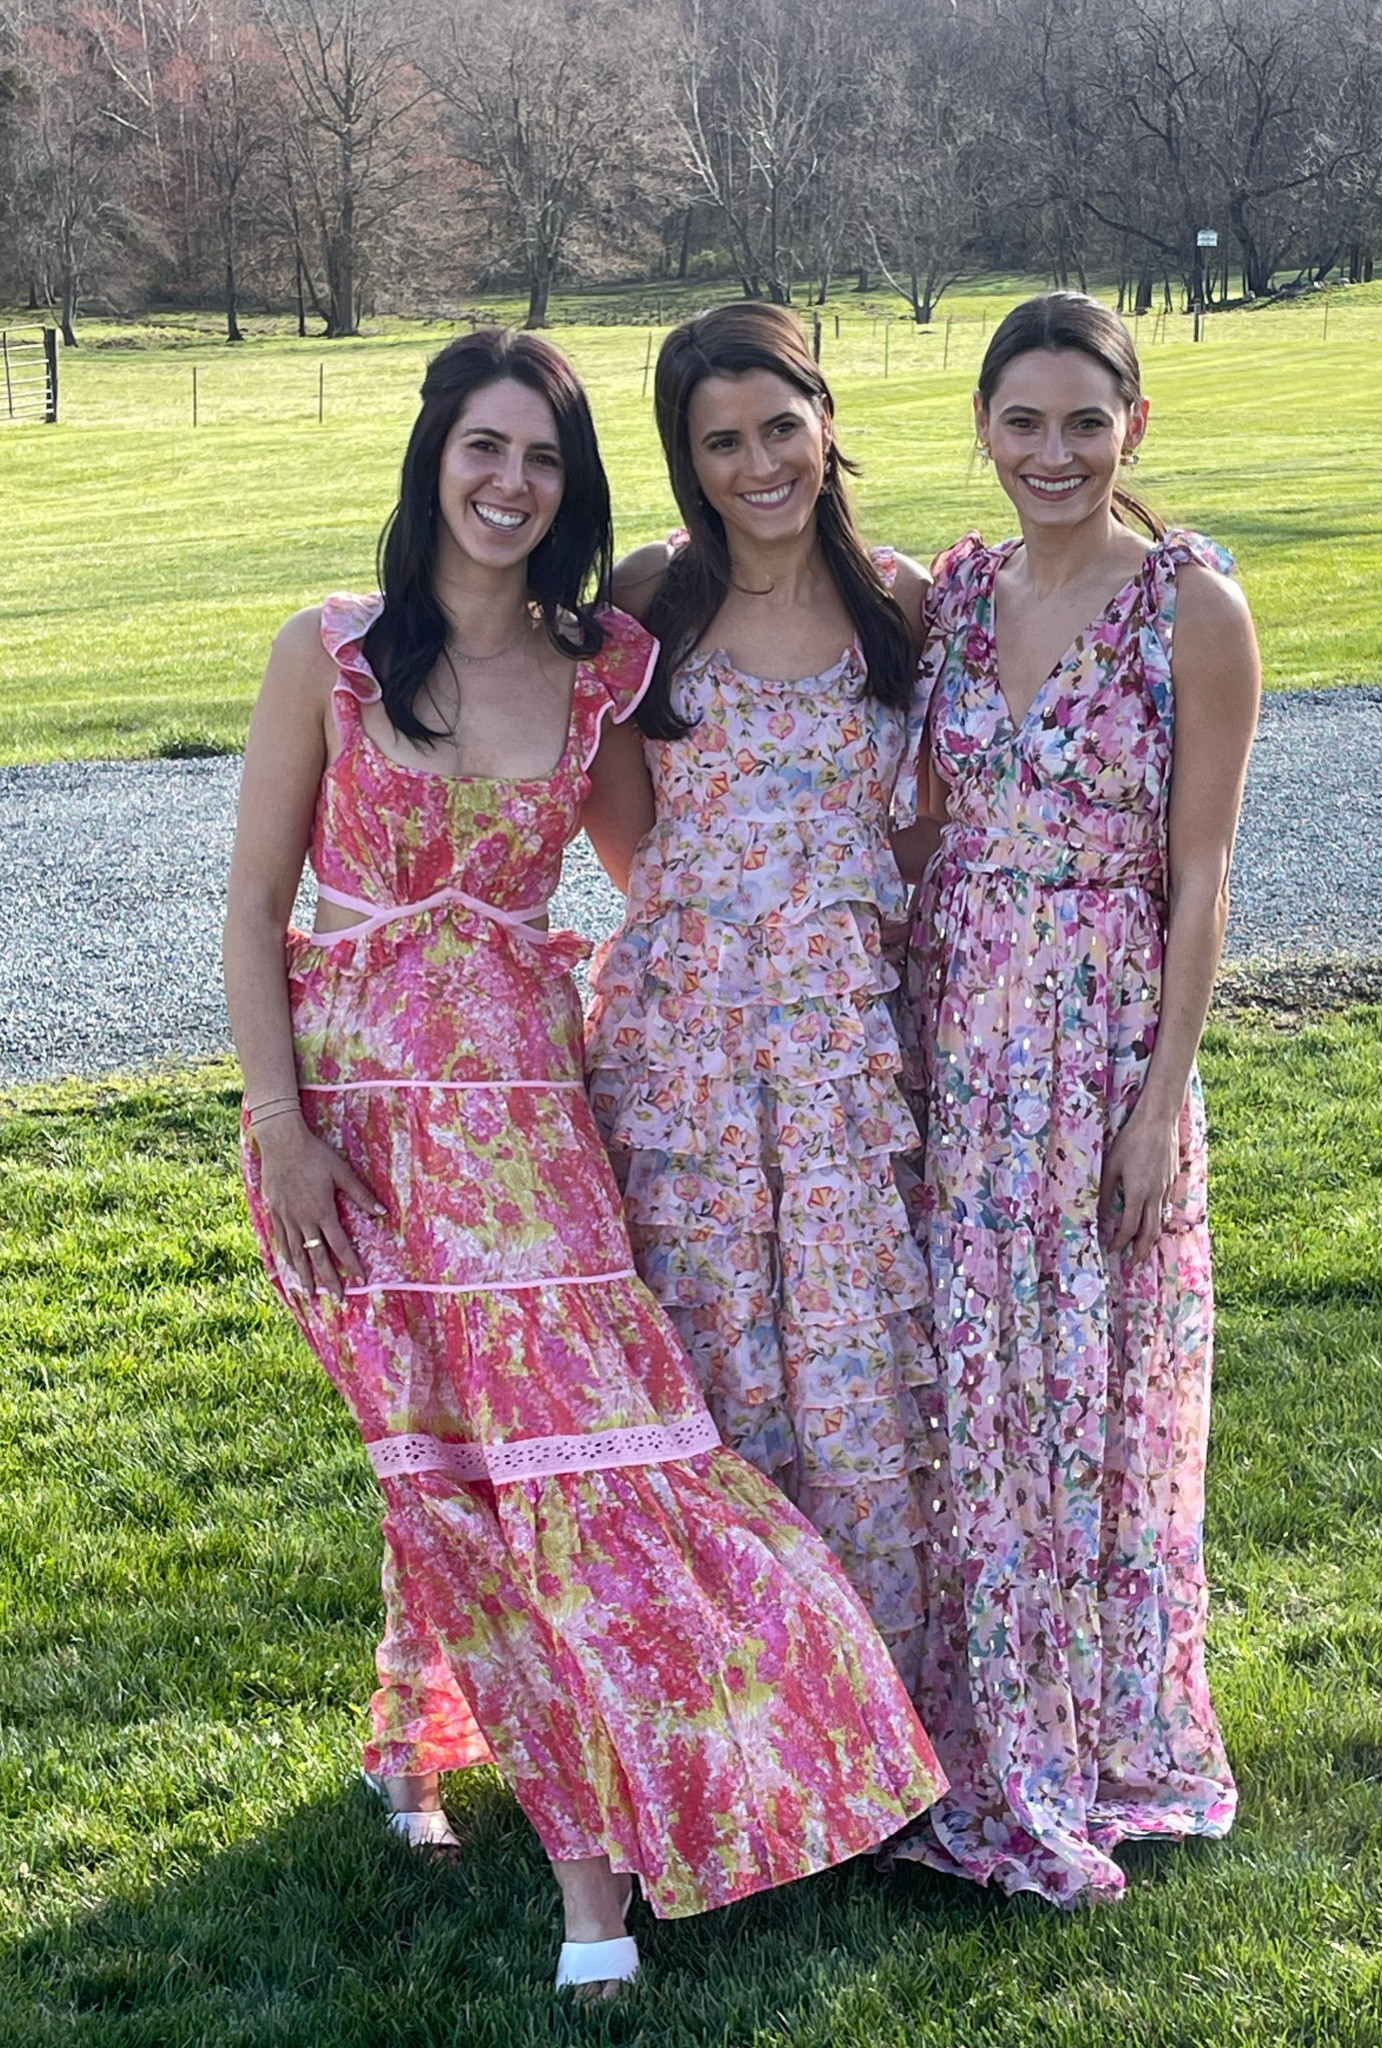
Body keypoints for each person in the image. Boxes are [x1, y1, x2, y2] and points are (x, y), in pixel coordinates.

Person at [223, 327, 944, 1997]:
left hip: (540, 1127)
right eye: (484, 449)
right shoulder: (326, 653)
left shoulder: (603, 661)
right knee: (446, 1463)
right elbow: (258, 911)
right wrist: (285, 1133)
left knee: (593, 1462)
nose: (509, 484)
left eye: (542, 459)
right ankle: (544, 1845)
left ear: (575, 488)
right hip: (358, 1139)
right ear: (433, 458)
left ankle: (742, 1767)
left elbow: (650, 871)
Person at [903, 292, 1261, 1905]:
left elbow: (1203, 882)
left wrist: (1156, 1103)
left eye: (1084, 423)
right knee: (977, 1394)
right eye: (1023, 422)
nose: (1053, 454)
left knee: (1098, 1394)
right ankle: (981, 1710)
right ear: (982, 426)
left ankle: (1106, 1729)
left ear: (1135, 431)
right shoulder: (954, 596)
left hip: (1107, 1043)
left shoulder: (1190, 607)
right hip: (955, 1044)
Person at [584, 303, 943, 1692]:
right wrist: (728, 933)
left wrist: (823, 935)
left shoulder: (899, 603)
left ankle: (869, 1708)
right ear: (686, 457)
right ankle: (721, 1705)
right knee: (710, 1348)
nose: (758, 465)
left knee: (854, 1359)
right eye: (720, 441)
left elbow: (916, 824)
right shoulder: (655, 598)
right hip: (686, 1047)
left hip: (847, 1047)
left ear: (827, 419)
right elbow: (625, 829)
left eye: (779, 427)